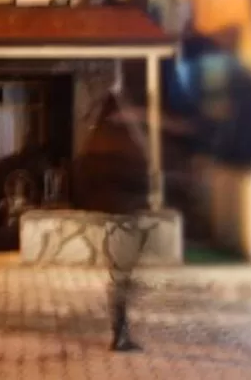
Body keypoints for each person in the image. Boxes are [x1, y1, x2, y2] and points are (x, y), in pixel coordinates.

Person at [72, 92, 149, 352]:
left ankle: (121, 330)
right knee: (122, 279)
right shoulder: (123, 144)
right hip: (124, 217)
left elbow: (83, 179)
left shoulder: (97, 143)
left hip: (111, 218)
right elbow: (139, 176)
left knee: (119, 276)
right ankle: (120, 334)